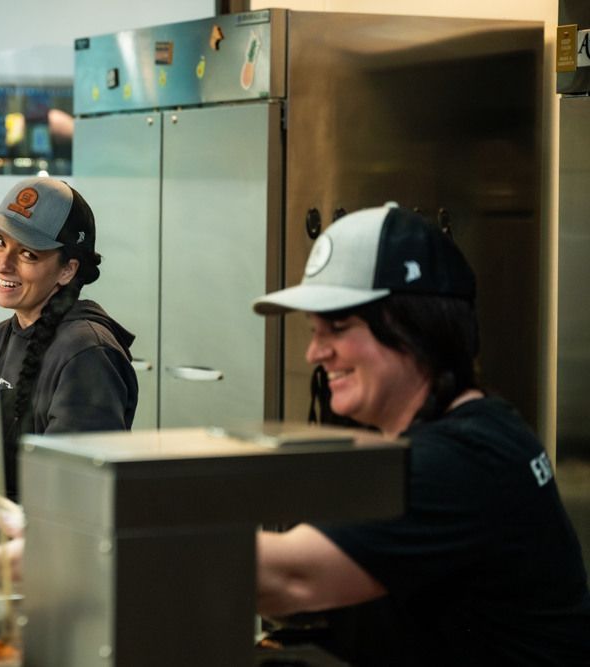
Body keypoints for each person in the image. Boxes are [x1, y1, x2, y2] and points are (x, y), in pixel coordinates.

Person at [252, 203, 590, 665]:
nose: (314, 352)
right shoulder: (485, 425)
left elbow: (292, 578)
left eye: (338, 328)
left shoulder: (460, 460)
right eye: (314, 330)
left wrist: (140, 541)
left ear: (415, 327)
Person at [0, 176, 138, 502]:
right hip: (9, 534)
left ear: (67, 271)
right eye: (0, 241)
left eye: (28, 253)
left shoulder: (87, 354)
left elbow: (73, 490)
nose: (3, 262)